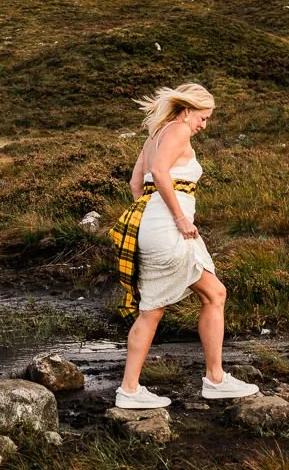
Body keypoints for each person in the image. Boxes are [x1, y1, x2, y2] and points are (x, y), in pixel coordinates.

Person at [112, 83, 258, 409]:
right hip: (170, 229)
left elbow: (137, 183)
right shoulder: (178, 129)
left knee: (153, 311)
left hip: (152, 226)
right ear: (188, 109)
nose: (204, 125)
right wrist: (176, 217)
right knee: (214, 294)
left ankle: (130, 389)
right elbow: (161, 173)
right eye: (203, 118)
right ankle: (215, 379)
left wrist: (153, 215)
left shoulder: (155, 135)